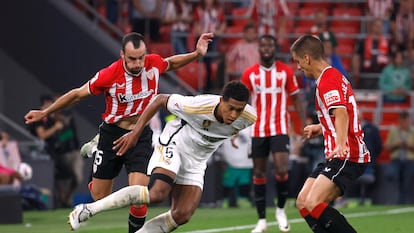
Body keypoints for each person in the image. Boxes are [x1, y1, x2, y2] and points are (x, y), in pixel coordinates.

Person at [25, 32, 213, 232]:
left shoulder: (152, 64)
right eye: (132, 58)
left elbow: (170, 63)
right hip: (112, 135)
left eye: (141, 57)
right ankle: (98, 148)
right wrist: (45, 112)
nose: (138, 63)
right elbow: (78, 94)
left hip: (140, 135)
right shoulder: (109, 74)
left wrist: (196, 54)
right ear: (122, 54)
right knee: (100, 198)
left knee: (139, 196)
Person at [67, 81, 257, 232]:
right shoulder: (197, 106)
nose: (234, 114)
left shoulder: (248, 118)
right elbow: (159, 99)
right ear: (221, 100)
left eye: (239, 110)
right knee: (157, 193)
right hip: (175, 144)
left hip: (198, 161)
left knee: (182, 215)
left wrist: (234, 135)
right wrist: (135, 133)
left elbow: (231, 127)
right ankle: (88, 209)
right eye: (230, 108)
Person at [291, 34, 371, 233]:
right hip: (337, 153)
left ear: (307, 58)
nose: (298, 67)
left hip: (347, 153)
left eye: (298, 61)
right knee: (303, 202)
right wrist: (321, 127)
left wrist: (341, 143)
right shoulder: (329, 77)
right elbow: (339, 113)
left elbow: (342, 114)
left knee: (313, 201)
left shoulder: (328, 80)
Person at [241, 34, 305, 233]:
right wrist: (234, 130)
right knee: (259, 172)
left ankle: (280, 209)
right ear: (258, 49)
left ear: (274, 48)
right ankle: (261, 220)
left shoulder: (285, 72)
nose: (266, 48)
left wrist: (301, 125)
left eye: (270, 45)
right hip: (258, 129)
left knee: (281, 169)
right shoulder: (249, 74)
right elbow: (240, 103)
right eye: (263, 45)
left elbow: (296, 99)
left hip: (280, 128)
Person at [218, 126, 253, 208]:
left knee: (244, 182)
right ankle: (226, 200)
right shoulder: (227, 124)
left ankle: (243, 199)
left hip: (246, 161)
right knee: (228, 183)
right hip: (231, 161)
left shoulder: (250, 126)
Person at [384, 111, 414, 204]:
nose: (405, 122)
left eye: (406, 120)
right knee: (393, 179)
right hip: (396, 160)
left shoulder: (413, 131)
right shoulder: (394, 131)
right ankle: (395, 201)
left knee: (406, 182)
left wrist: (409, 146)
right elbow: (386, 147)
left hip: (409, 160)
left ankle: (403, 202)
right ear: (399, 120)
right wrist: (396, 145)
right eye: (403, 120)